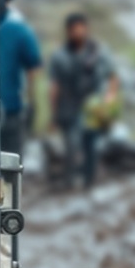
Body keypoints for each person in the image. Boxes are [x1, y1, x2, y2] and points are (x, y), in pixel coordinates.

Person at [48, 12, 118, 190]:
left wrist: (109, 99)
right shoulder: (60, 56)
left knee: (91, 146)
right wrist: (53, 113)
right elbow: (54, 86)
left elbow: (112, 76)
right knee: (71, 146)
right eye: (74, 30)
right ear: (68, 32)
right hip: (68, 107)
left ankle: (89, 182)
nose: (78, 34)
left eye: (81, 29)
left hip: (93, 108)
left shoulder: (98, 52)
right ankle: (69, 181)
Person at [0, 0, 42, 160]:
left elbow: (34, 70)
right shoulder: (20, 30)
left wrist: (31, 103)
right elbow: (34, 70)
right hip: (10, 110)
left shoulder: (18, 30)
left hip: (10, 111)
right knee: (10, 163)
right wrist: (32, 102)